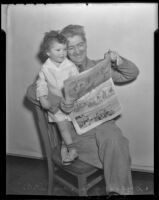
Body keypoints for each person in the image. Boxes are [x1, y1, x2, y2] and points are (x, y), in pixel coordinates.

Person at [27, 25, 139, 195]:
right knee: (118, 153)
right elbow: (31, 91)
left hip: (102, 124)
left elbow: (130, 74)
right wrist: (59, 99)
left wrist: (117, 60)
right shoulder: (55, 70)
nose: (77, 51)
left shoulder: (97, 66)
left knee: (116, 141)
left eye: (80, 44)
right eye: (70, 47)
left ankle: (118, 192)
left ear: (86, 44)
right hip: (76, 131)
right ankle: (120, 188)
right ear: (63, 50)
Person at [36, 30, 79, 165]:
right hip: (57, 104)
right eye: (58, 50)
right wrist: (43, 97)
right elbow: (41, 83)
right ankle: (72, 150)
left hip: (72, 103)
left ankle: (65, 146)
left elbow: (77, 82)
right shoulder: (45, 68)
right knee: (63, 127)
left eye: (65, 49)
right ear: (48, 52)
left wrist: (74, 95)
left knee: (72, 127)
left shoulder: (70, 65)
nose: (63, 53)